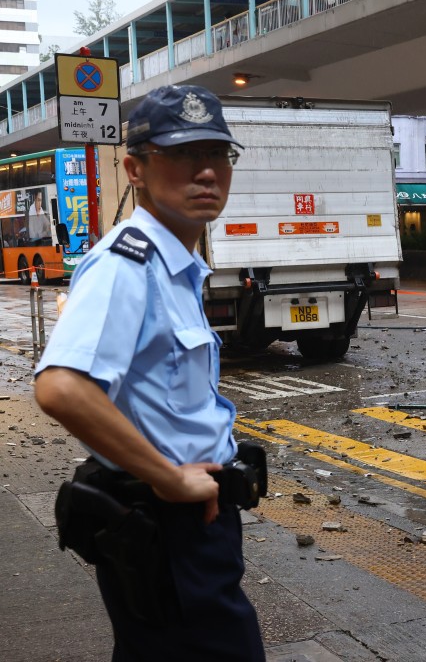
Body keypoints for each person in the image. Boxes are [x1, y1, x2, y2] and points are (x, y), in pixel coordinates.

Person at [34, 85, 265, 661]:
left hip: (190, 524)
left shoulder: (173, 265)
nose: (207, 172)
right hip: (167, 525)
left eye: (218, 155)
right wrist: (167, 476)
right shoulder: (126, 265)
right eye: (184, 155)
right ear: (135, 168)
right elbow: (61, 387)